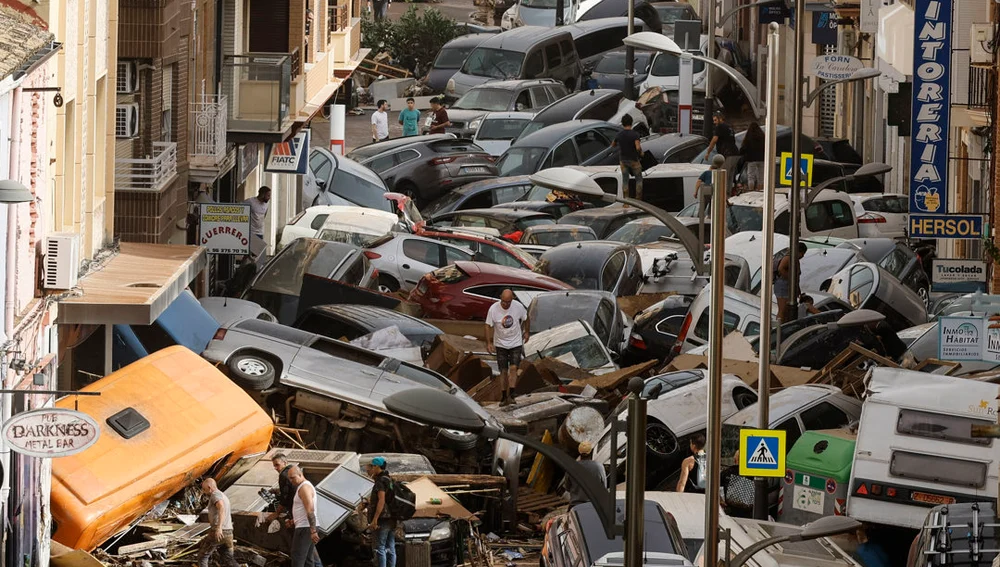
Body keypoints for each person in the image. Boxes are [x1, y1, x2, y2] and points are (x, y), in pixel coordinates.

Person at [485, 289, 529, 406]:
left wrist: (527, 332)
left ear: (512, 300)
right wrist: (489, 342)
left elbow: (526, 318)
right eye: (503, 301)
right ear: (500, 298)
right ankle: (504, 395)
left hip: (515, 342)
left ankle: (512, 392)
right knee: (503, 371)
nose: (505, 304)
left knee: (513, 368)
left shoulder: (518, 307)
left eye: (508, 302)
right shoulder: (493, 309)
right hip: (500, 344)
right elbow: (488, 325)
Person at [197, 478, 239, 567]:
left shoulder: (215, 494)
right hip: (229, 532)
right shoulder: (224, 496)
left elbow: (221, 507)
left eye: (204, 489)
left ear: (209, 487)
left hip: (219, 531)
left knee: (202, 557)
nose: (204, 492)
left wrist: (219, 528)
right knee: (228, 559)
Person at [287, 465, 323, 567]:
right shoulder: (303, 487)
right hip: (305, 526)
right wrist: (294, 520)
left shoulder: (304, 488)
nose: (290, 480)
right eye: (289, 478)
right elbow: (303, 510)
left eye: (292, 477)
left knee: (297, 557)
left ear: (300, 474)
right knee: (307, 559)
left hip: (305, 527)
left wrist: (313, 531)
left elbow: (310, 510)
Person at [366, 456, 397, 567]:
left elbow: (381, 500)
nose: (371, 469)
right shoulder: (389, 479)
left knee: (380, 547)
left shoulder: (380, 481)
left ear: (377, 467)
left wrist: (375, 519)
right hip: (392, 518)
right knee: (391, 547)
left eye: (372, 466)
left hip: (383, 519)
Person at [703, 111, 739, 194]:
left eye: (715, 120)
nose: (714, 123)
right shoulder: (729, 127)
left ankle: (723, 194)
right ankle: (728, 193)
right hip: (735, 153)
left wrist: (708, 152)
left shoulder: (720, 127)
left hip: (727, 153)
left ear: (720, 119)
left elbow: (714, 140)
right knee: (730, 175)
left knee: (724, 175)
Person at [610, 114, 643, 200]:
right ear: (631, 123)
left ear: (623, 123)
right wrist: (641, 153)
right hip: (634, 160)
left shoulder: (619, 134)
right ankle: (638, 200)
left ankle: (626, 201)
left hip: (623, 161)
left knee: (625, 180)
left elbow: (613, 145)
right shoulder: (635, 134)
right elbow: (638, 147)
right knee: (638, 180)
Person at [773, 243, 807, 323]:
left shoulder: (794, 260)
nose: (803, 256)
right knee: (783, 309)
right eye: (802, 253)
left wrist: (797, 287)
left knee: (787, 309)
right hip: (783, 284)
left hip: (788, 285)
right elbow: (781, 269)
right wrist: (791, 279)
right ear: (798, 251)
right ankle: (779, 327)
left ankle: (783, 323)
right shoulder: (788, 258)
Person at [739, 122, 766, 193]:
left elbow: (743, 148)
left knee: (751, 176)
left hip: (751, 159)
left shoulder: (749, 137)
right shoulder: (763, 137)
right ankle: (760, 191)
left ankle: (751, 191)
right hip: (761, 159)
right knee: (761, 177)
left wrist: (741, 153)